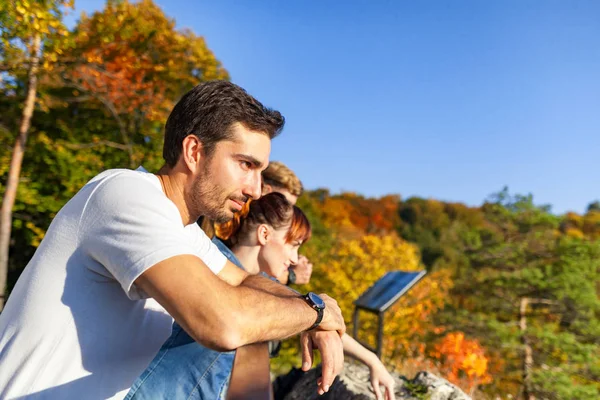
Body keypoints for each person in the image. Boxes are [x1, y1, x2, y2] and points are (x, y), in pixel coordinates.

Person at [0, 81, 345, 399]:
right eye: (245, 164)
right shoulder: (124, 194)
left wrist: (317, 308)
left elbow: (244, 279)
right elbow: (221, 324)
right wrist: (314, 312)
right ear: (194, 151)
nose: (255, 189)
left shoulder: (184, 232)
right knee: (227, 323)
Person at [130, 193, 395, 400]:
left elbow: (308, 308)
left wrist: (364, 355)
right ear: (265, 234)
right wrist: (316, 318)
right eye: (293, 245)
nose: (294, 259)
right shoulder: (208, 262)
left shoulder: (260, 283)